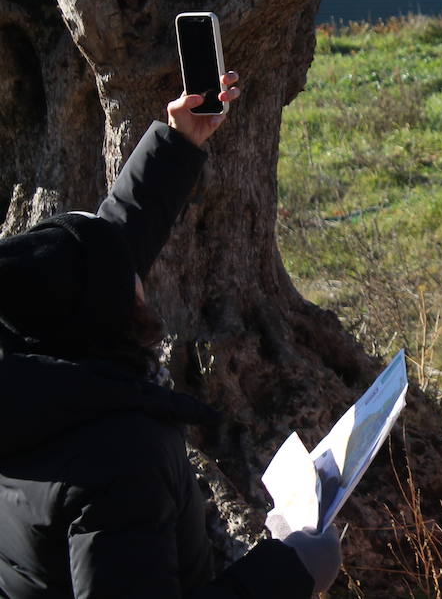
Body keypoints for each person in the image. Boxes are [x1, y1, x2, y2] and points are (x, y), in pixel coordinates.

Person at [0, 73, 342, 598]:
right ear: (109, 314)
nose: (140, 271)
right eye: (127, 276)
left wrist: (178, 140)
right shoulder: (121, 460)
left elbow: (108, 247)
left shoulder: (27, 382)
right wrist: (289, 571)